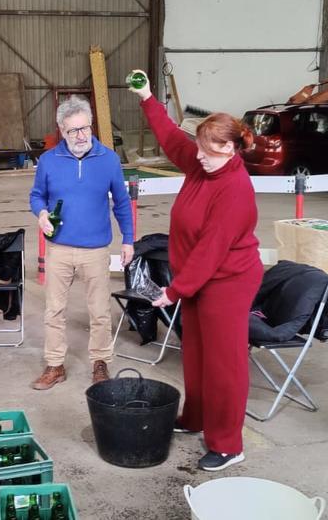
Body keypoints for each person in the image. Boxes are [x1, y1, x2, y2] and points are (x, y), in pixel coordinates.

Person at [131, 74, 263, 471]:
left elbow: (211, 250)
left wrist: (175, 290)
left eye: (208, 149)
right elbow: (173, 140)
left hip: (227, 281)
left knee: (224, 364)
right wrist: (148, 98)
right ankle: (196, 418)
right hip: (199, 280)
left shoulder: (234, 189)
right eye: (199, 148)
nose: (198, 156)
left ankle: (227, 443)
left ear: (230, 148)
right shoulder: (203, 166)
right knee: (196, 355)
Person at [28, 95, 134, 389]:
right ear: (62, 129)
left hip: (96, 249)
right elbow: (36, 195)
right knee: (54, 310)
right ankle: (54, 365)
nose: (82, 135)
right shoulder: (49, 161)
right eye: (74, 130)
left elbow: (122, 204)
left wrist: (128, 240)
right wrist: (42, 212)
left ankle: (100, 363)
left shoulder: (109, 160)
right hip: (59, 247)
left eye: (86, 128)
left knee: (99, 311)